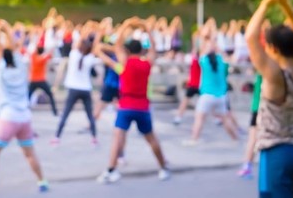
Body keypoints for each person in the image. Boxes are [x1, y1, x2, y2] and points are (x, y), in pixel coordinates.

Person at [0, 20, 48, 196]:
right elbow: (12, 48)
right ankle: (42, 181)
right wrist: (6, 27)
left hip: (8, 117)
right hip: (24, 117)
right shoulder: (21, 64)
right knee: (29, 153)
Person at [245, 0, 293, 198]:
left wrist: (267, 3)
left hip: (276, 153)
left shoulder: (274, 76)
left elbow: (250, 37)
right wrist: (285, 3)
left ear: (273, 49)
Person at [95, 18, 170, 184]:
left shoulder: (124, 64)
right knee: (151, 139)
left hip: (126, 106)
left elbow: (117, 45)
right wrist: (146, 29)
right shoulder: (146, 64)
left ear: (128, 50)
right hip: (143, 106)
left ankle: (111, 169)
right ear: (141, 50)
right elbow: (154, 48)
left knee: (118, 138)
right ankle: (163, 167)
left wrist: (126, 25)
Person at [182, 20, 238, 145]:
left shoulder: (204, 61)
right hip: (221, 95)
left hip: (207, 94)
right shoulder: (222, 62)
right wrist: (215, 42)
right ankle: (235, 139)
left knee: (199, 118)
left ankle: (194, 139)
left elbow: (201, 49)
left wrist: (207, 37)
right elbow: (225, 56)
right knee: (225, 119)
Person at [51, 23, 98, 145]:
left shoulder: (73, 55)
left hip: (73, 88)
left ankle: (57, 136)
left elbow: (77, 42)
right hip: (85, 88)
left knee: (66, 113)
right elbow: (93, 47)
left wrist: (83, 31)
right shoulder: (89, 59)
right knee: (90, 115)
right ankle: (94, 137)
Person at [237, 73, 262, 179]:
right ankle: (247, 166)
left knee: (253, 139)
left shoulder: (265, 68)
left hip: (260, 108)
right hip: (261, 108)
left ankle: (247, 166)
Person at [173, 49, 200, 124]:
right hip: (195, 85)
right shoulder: (198, 61)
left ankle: (178, 117)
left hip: (195, 85)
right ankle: (178, 117)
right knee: (185, 101)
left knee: (185, 101)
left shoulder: (196, 61)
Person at [28, 46, 58, 116]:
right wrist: (51, 49)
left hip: (33, 80)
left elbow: (34, 51)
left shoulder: (33, 57)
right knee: (50, 95)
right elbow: (50, 55)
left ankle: (24, 110)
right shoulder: (42, 59)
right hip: (41, 80)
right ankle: (55, 111)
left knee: (28, 97)